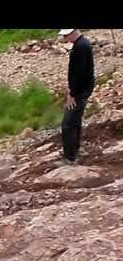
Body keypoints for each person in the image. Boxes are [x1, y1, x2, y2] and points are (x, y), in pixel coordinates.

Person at [57, 29, 95, 166]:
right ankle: (75, 149)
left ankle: (70, 157)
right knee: (75, 120)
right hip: (82, 88)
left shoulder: (80, 47)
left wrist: (72, 94)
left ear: (73, 32)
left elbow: (80, 73)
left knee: (68, 123)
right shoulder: (82, 44)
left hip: (80, 91)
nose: (66, 38)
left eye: (67, 36)